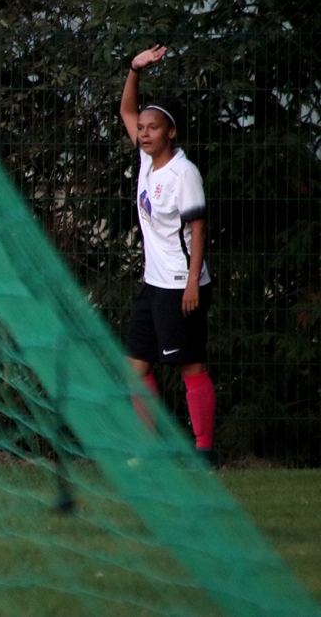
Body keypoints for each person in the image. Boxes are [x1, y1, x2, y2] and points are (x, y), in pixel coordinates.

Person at [119, 46, 217, 462]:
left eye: (153, 128)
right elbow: (127, 111)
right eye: (142, 128)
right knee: (135, 368)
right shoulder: (146, 161)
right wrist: (134, 69)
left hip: (181, 285)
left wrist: (192, 283)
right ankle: (148, 450)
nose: (144, 133)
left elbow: (198, 228)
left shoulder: (184, 173)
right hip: (154, 284)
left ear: (171, 132)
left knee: (189, 367)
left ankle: (204, 453)